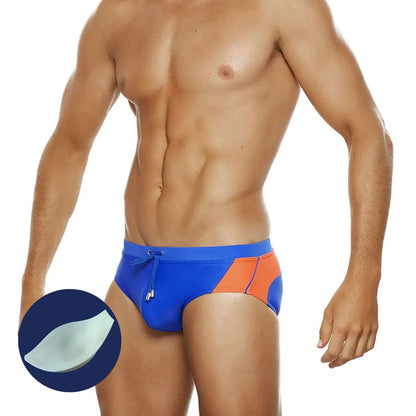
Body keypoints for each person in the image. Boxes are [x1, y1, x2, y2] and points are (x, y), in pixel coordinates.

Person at [19, 0, 393, 414]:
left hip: (227, 269)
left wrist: (364, 276)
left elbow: (366, 130)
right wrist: (32, 282)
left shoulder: (282, 7)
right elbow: (69, 144)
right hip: (136, 271)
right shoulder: (119, 13)